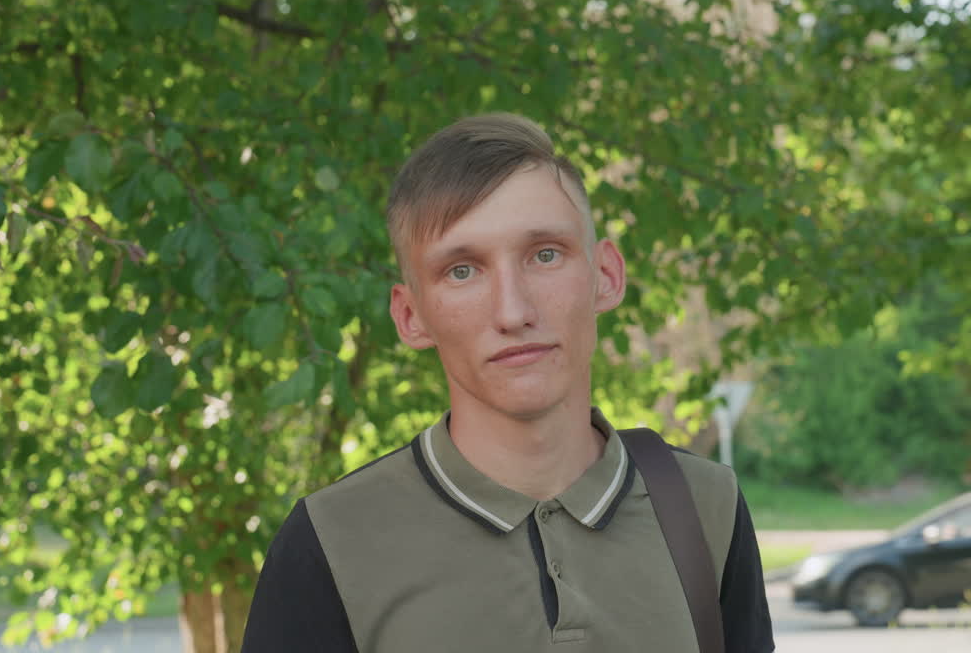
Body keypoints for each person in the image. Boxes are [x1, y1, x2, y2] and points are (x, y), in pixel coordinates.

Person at [240, 114, 774, 653]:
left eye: (545, 255)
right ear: (411, 316)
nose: (513, 311)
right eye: (462, 270)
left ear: (605, 276)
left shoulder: (708, 506)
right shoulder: (331, 541)